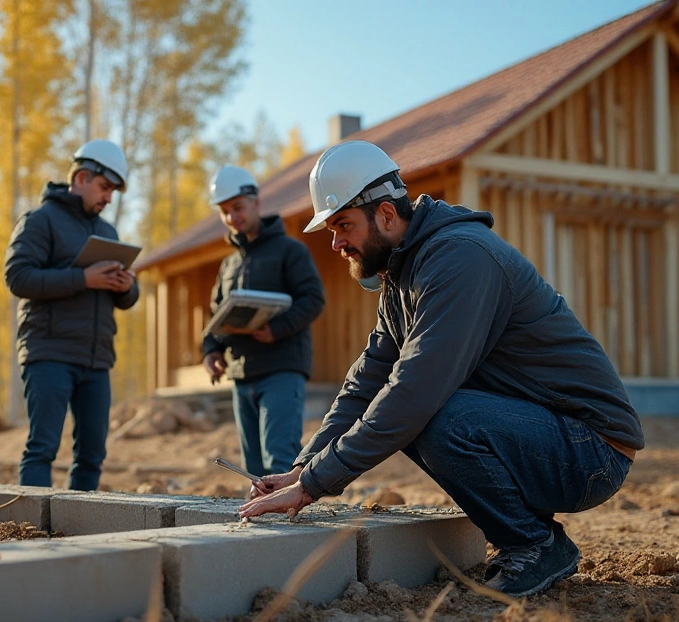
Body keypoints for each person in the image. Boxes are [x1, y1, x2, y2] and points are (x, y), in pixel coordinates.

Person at [239, 140, 643, 597]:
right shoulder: (403, 272)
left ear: (387, 215)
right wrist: (303, 467)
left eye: (343, 225)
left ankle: (533, 543)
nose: (336, 244)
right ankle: (529, 536)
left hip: (590, 450)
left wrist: (314, 485)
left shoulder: (459, 259)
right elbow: (368, 379)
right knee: (412, 410)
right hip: (544, 435)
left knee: (429, 414)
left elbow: (412, 392)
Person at [4, 139, 139, 491]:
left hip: (96, 359)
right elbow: (17, 277)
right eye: (105, 187)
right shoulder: (39, 221)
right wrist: (83, 278)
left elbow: (125, 301)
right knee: (42, 448)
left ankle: (78, 529)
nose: (109, 198)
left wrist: (126, 286)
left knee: (92, 454)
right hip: (49, 353)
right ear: (81, 177)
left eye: (113, 191)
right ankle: (30, 531)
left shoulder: (107, 232)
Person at [202, 165, 326, 477]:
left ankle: (284, 522)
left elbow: (313, 299)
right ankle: (263, 522)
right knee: (253, 468)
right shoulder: (229, 264)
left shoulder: (290, 251)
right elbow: (215, 315)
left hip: (281, 369)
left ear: (256, 202)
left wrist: (277, 330)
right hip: (241, 374)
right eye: (225, 212)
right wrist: (210, 350)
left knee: (279, 458)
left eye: (238, 208)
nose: (232, 217)